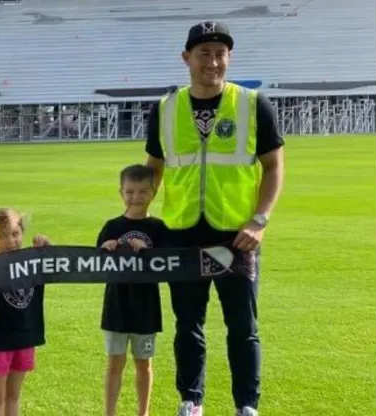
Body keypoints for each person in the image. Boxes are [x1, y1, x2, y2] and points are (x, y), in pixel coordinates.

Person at [144, 21, 285, 416]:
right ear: (186, 57)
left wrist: (259, 220)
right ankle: (191, 401)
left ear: (230, 58)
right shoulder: (166, 108)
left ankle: (246, 406)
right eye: (204, 53)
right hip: (181, 233)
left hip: (237, 235)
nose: (213, 61)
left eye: (221, 53)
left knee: (243, 327)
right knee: (188, 325)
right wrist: (140, 215)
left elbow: (274, 167)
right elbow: (154, 166)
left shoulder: (253, 104)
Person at [96, 164, 169, 416]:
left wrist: (149, 253)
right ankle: (110, 412)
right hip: (116, 305)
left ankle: (143, 412)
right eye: (129, 192)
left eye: (141, 192)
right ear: (121, 193)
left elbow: (170, 265)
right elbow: (94, 265)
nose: (135, 197)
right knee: (115, 362)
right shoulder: (111, 226)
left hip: (146, 308)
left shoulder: (159, 229)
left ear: (153, 193)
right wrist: (106, 248)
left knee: (143, 363)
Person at [0, 208, 51, 416]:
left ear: (22, 232)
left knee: (14, 396)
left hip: (25, 338)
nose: (10, 241)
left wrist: (48, 249)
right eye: (2, 235)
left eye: (15, 233)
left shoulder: (34, 262)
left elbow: (58, 266)